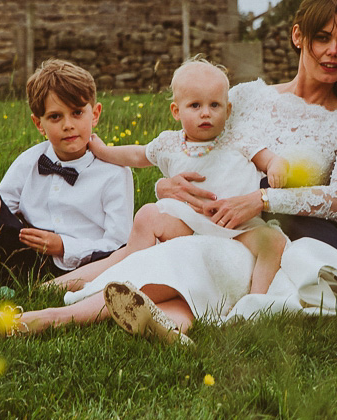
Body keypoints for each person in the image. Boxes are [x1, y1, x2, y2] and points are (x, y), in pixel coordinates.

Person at [0, 0, 337, 340]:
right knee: (178, 252)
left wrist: (261, 201)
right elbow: (193, 144)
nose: (333, 52)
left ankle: (52, 317)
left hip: (261, 240)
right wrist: (166, 184)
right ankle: (169, 326)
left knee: (185, 257)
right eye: (323, 38)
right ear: (298, 36)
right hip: (197, 219)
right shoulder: (245, 96)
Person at [80, 56, 290, 296]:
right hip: (189, 223)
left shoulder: (237, 139)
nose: (205, 114)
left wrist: (276, 166)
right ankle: (131, 277)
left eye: (214, 105)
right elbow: (138, 156)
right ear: (176, 111)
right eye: (195, 106)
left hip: (239, 227)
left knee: (274, 242)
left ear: (228, 109)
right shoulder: (169, 143)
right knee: (148, 215)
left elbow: (269, 158)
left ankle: (255, 302)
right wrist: (103, 151)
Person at [0, 59, 133, 289]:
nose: (68, 125)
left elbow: (119, 243)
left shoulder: (115, 172)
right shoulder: (30, 160)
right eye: (55, 117)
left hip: (82, 265)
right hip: (24, 256)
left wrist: (63, 246)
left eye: (77, 113)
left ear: (95, 114)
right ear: (39, 124)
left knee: (118, 258)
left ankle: (40, 292)